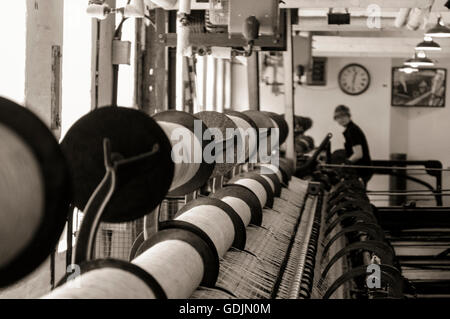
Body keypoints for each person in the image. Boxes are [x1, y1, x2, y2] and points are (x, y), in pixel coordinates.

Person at [333, 105, 373, 186]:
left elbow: (358, 154)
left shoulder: (352, 130)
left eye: (344, 116)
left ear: (349, 116)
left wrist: (344, 165)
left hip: (361, 170)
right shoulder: (350, 129)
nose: (341, 119)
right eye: (338, 117)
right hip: (362, 169)